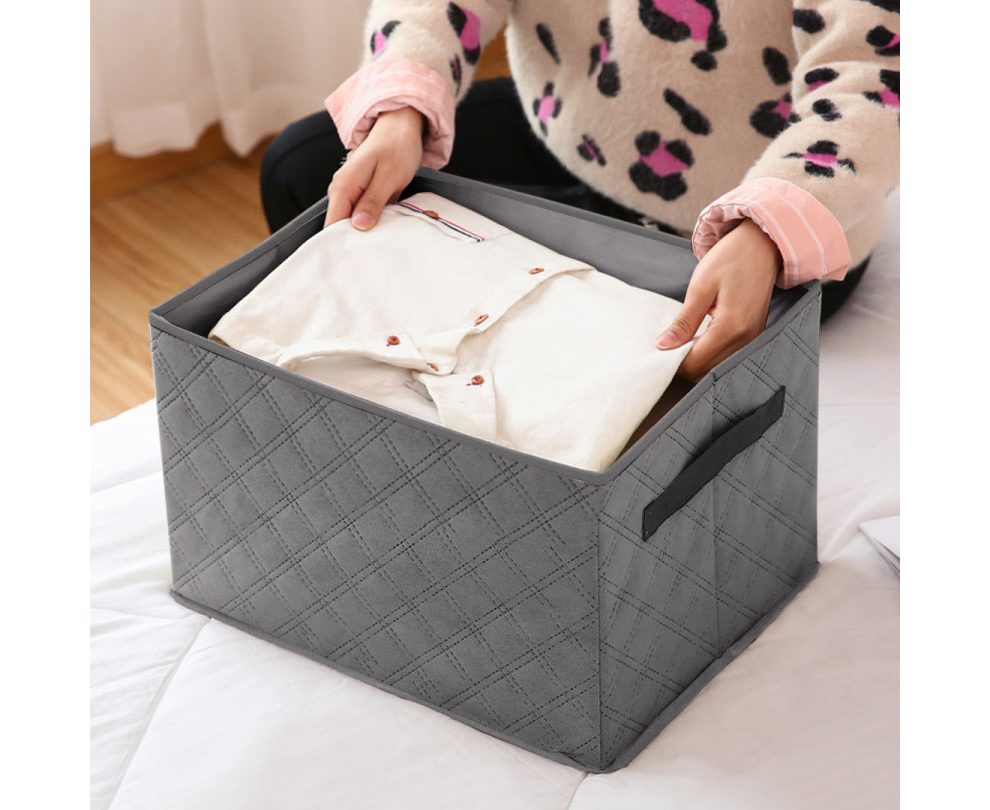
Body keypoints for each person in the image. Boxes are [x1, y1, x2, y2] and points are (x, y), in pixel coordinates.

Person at [260, 0, 899, 381]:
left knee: (575, 356)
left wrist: (766, 226)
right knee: (303, 169)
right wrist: (403, 109)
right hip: (571, 127)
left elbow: (877, 80)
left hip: (743, 222)